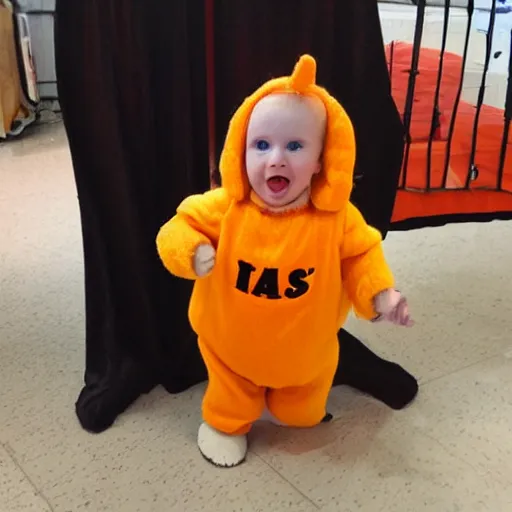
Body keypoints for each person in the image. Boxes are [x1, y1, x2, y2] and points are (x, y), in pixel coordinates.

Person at [156, 55, 414, 468]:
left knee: (302, 414)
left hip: (305, 355)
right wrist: (192, 250)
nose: (276, 159)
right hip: (231, 350)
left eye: (294, 146)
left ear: (319, 160)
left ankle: (291, 401)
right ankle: (227, 421)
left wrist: (382, 296)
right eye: (261, 145)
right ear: (240, 151)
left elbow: (362, 255)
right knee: (230, 400)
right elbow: (176, 227)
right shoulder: (227, 207)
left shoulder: (337, 219)